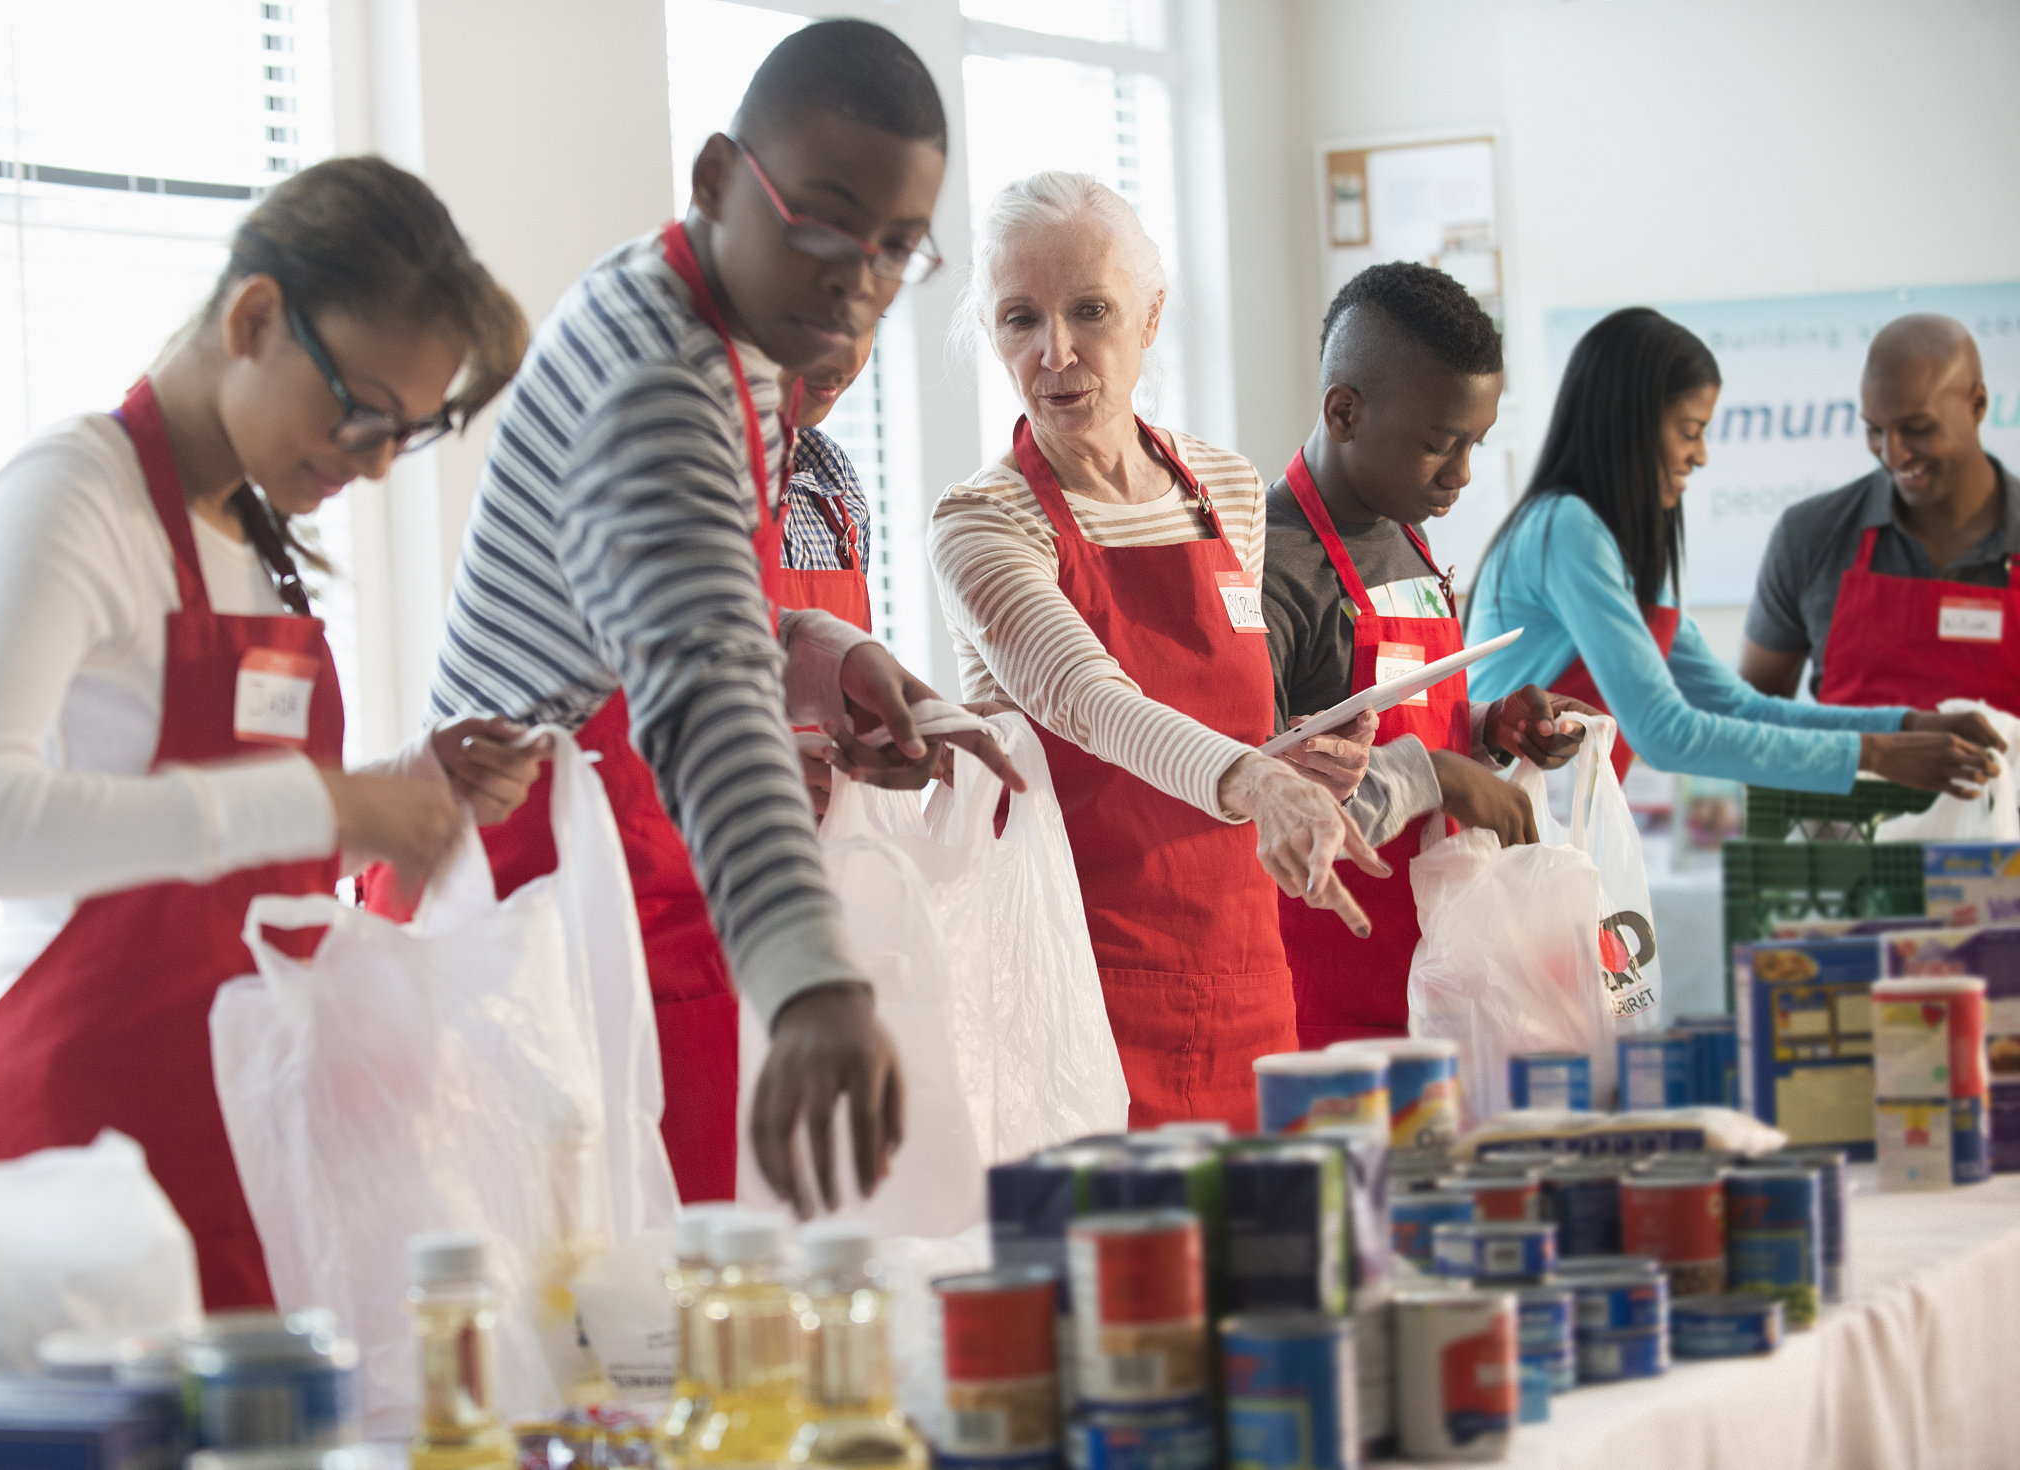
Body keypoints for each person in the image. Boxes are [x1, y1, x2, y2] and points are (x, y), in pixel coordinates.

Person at [420, 20, 1019, 1217]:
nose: (858, 277)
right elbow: (696, 686)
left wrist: (820, 647)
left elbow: (661, 605)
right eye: (821, 220)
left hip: (623, 863)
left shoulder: (717, 320)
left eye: (899, 247)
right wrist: (809, 982)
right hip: (540, 893)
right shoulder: (658, 384)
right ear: (712, 181)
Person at [0, 157, 543, 1308]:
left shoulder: (256, 536)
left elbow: (226, 867)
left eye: (409, 432)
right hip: (80, 1172)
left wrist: (401, 794)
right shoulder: (75, 494)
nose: (378, 460)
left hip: (248, 1154)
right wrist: (330, 802)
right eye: (364, 411)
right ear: (256, 316)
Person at [932, 170, 1385, 1133]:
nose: (1056, 352)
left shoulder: (1225, 487)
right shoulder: (980, 522)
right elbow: (1092, 700)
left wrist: (1292, 758)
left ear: (1151, 316)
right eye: (1020, 319)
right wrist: (1258, 785)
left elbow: (1230, 721)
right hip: (1069, 992)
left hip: (1246, 967)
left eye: (1089, 310)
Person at [454, 328, 882, 1206]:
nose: (835, 343)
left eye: (869, 302)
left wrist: (845, 714)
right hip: (577, 917)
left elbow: (756, 652)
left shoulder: (832, 486)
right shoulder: (648, 443)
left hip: (728, 928)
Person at [1466, 307, 2002, 799]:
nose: (1700, 455)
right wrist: (1879, 755)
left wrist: (1906, 726)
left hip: (1552, 835)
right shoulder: (1566, 528)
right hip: (1502, 828)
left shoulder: (1627, 551)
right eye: (1690, 432)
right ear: (1630, 425)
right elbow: (1666, 733)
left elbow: (1741, 707)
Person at [1264, 263, 1593, 1046]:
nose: (1462, 476)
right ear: (1344, 412)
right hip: (1335, 1000)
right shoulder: (1273, 568)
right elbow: (1258, 803)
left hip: (1442, 977)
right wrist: (1436, 776)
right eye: (1439, 447)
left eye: (1475, 443)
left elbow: (1379, 711)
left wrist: (1486, 729)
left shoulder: (1405, 533)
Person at [1741, 314, 2020, 714]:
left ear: (1977, 404)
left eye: (1917, 428)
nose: (1893, 455)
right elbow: (1751, 720)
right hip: (1850, 781)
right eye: (1875, 430)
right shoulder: (1809, 536)